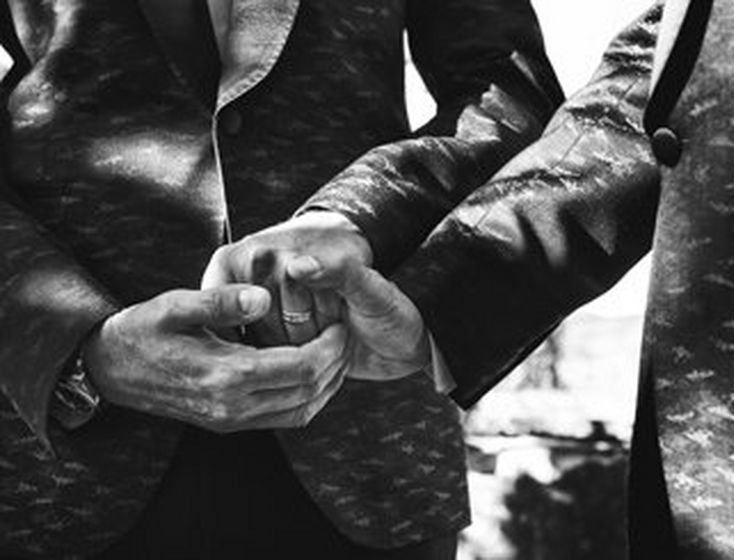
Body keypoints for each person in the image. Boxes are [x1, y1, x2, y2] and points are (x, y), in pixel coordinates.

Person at [0, 0, 565, 557]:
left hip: (368, 441)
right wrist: (74, 344)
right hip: (65, 462)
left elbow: (509, 95)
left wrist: (356, 216)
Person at [242, 0, 734, 557]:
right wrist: (439, 298)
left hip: (371, 468)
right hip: (725, 472)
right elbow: (668, 81)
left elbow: (501, 80)